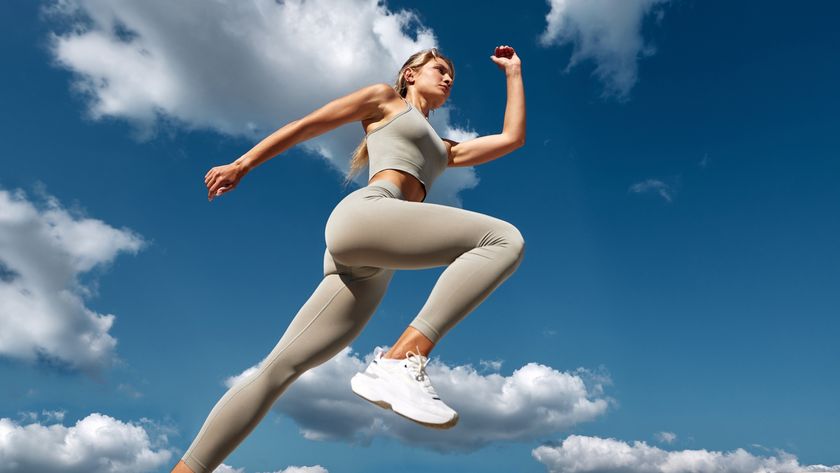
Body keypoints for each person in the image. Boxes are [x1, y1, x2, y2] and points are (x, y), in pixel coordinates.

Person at [172, 45, 526, 473]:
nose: (448, 78)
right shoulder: (383, 100)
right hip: (367, 215)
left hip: (372, 265)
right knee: (502, 239)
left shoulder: (446, 149)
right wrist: (242, 164)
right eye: (439, 69)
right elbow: (307, 125)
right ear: (410, 74)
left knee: (278, 370)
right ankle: (399, 359)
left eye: (452, 75)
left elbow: (511, 139)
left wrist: (513, 72)